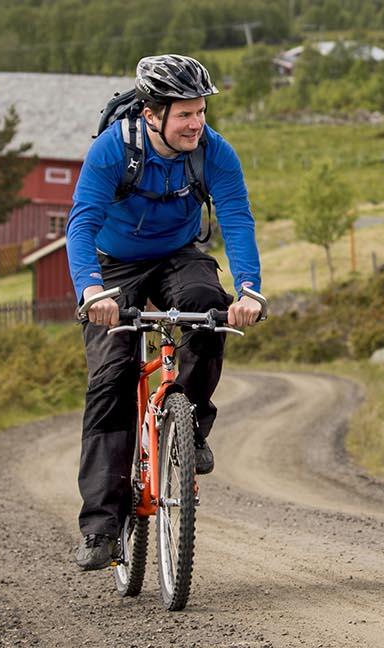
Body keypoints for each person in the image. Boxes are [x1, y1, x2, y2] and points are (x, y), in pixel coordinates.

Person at [68, 53, 265, 571]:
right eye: (185, 114)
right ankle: (101, 528)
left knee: (208, 308)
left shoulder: (213, 152)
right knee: (110, 378)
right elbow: (82, 224)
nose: (196, 123)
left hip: (178, 256)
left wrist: (249, 291)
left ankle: (191, 421)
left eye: (200, 112)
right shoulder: (114, 150)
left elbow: (238, 220)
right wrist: (92, 293)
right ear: (152, 113)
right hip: (113, 266)